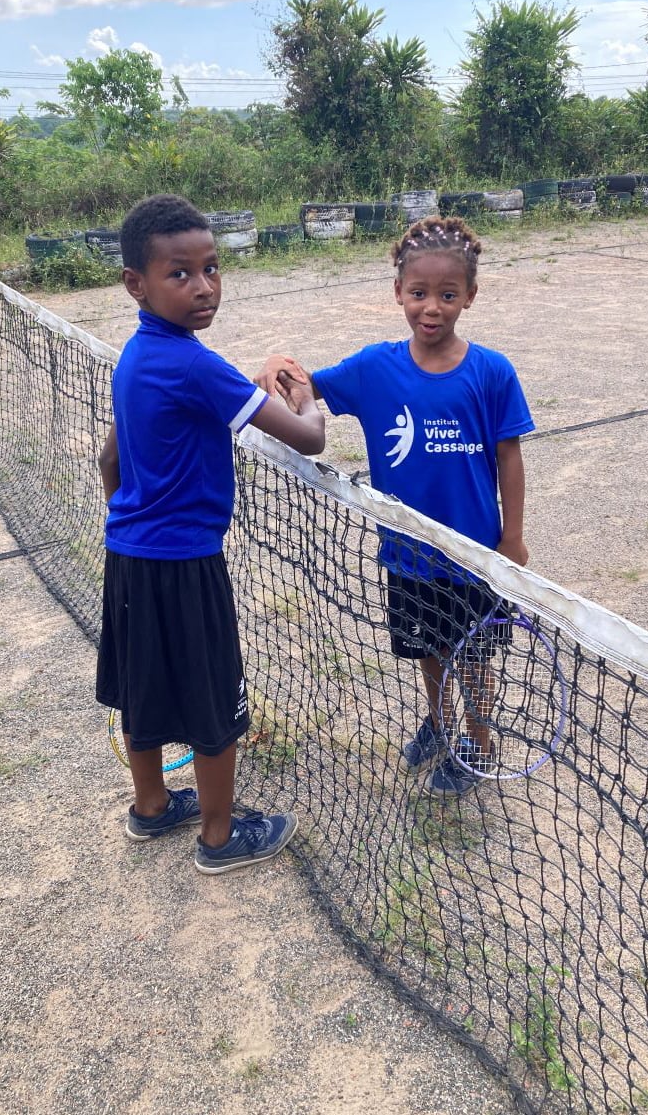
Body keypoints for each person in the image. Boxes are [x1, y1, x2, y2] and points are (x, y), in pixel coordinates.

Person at [256, 215, 534, 797]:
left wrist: (513, 538)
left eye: (447, 295)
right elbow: (309, 386)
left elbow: (509, 458)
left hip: (475, 556)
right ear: (399, 293)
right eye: (419, 294)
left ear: (470, 297)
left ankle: (478, 745)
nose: (431, 308)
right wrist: (282, 372)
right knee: (428, 650)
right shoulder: (374, 368)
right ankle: (439, 723)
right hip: (407, 555)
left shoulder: (492, 373)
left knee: (475, 657)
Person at [96, 193, 325, 873]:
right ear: (135, 282)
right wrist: (302, 388)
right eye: (180, 274)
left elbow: (110, 459)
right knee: (213, 703)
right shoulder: (195, 365)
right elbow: (308, 438)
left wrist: (132, 525)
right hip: (185, 564)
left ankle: (151, 806)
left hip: (130, 556)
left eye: (212, 269)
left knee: (143, 689)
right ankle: (220, 837)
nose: (203, 288)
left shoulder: (137, 355)